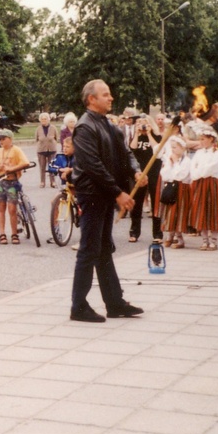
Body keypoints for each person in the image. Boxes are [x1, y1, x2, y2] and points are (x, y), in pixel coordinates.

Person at [68, 80, 145, 323]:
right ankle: (78, 306)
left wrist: (135, 171)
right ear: (91, 99)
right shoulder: (84, 127)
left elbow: (126, 152)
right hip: (92, 195)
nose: (111, 98)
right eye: (106, 95)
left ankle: (114, 303)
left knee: (103, 249)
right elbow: (93, 166)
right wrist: (117, 193)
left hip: (104, 194)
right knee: (89, 250)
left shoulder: (108, 125)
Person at [0, 129, 30, 245]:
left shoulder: (16, 151)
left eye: (4, 138)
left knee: (12, 208)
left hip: (12, 181)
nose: (1, 141)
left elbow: (25, 163)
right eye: (0, 139)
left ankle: (14, 233)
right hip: (0, 181)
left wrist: (12, 169)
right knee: (1, 206)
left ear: (10, 139)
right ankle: (2, 233)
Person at [129, 114, 163, 242]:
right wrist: (137, 134)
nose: (142, 126)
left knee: (155, 202)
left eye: (145, 123)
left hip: (154, 171)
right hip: (140, 171)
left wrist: (149, 133)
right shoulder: (136, 136)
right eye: (139, 124)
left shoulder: (157, 136)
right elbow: (132, 149)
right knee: (137, 202)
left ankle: (157, 234)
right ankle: (134, 232)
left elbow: (157, 150)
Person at [34, 112, 59, 188]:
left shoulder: (53, 128)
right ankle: (42, 182)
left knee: (52, 166)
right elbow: (36, 139)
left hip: (52, 150)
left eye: (45, 119)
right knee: (42, 167)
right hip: (41, 150)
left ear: (48, 120)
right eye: (42, 119)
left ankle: (53, 181)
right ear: (40, 120)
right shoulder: (38, 129)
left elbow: (56, 138)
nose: (44, 120)